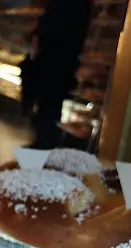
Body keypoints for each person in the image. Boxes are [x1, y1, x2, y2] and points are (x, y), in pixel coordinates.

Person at [26, 0, 93, 149]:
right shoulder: (79, 7)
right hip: (61, 64)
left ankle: (44, 144)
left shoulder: (67, 7)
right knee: (50, 105)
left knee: (49, 106)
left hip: (55, 63)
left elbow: (53, 31)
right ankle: (44, 142)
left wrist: (37, 35)